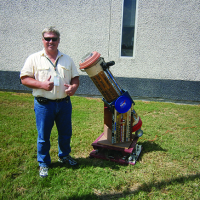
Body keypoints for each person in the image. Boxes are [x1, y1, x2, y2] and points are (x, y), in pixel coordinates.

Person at [20, 27, 79, 178]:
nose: (50, 41)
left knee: (65, 133)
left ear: (59, 40)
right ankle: (44, 163)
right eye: (47, 38)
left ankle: (64, 156)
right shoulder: (34, 58)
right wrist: (41, 85)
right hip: (44, 105)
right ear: (43, 40)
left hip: (64, 104)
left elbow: (75, 78)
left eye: (54, 39)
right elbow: (24, 78)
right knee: (43, 136)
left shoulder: (67, 59)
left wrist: (73, 87)